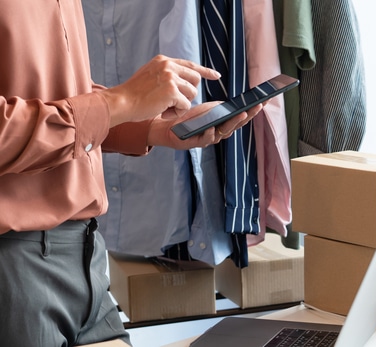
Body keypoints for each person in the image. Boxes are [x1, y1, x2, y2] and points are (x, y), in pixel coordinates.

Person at [0, 1, 262, 347]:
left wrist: (154, 129)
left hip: (87, 253)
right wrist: (119, 102)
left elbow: (62, 99)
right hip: (16, 266)